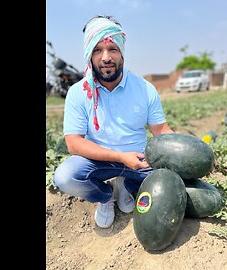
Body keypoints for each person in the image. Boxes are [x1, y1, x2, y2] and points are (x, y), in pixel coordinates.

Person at [53, 15, 174, 228]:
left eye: (113, 49)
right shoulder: (77, 93)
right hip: (99, 161)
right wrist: (120, 157)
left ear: (122, 54)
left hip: (139, 160)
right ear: (89, 54)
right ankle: (105, 196)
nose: (106, 57)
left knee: (171, 183)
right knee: (65, 177)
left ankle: (127, 184)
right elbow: (74, 143)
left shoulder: (144, 88)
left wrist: (190, 152)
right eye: (97, 50)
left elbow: (161, 129)